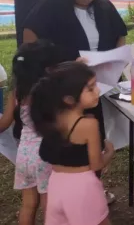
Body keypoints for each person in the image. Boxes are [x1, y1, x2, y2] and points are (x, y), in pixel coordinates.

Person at [22, 0, 126, 204]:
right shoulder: (51, 5)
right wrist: (61, 67)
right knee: (65, 142)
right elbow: (29, 41)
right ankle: (65, 192)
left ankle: (92, 188)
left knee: (93, 139)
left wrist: (116, 57)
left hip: (94, 88)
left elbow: (120, 33)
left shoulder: (102, 5)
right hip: (63, 89)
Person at [31, 62, 115, 225]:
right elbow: (96, 164)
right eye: (90, 88)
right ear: (69, 99)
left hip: (56, 185)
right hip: (83, 188)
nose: (97, 91)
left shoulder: (52, 119)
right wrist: (109, 153)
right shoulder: (89, 125)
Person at [0, 41, 59, 225]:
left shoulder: (17, 93)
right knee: (48, 204)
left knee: (28, 204)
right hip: (45, 156)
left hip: (24, 155)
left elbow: (3, 124)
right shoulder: (50, 93)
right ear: (46, 69)